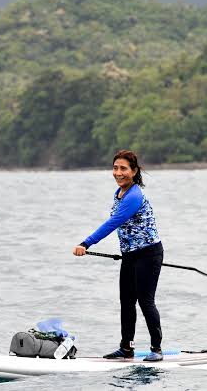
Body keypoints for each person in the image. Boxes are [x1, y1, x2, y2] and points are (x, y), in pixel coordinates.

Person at [73, 150, 164, 362]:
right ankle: (126, 348)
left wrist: (86, 243)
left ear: (134, 171)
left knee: (145, 301)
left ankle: (156, 349)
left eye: (123, 168)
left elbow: (113, 223)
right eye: (115, 168)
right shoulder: (120, 193)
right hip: (130, 256)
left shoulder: (134, 195)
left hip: (148, 254)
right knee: (126, 302)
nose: (118, 172)